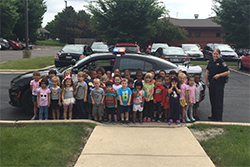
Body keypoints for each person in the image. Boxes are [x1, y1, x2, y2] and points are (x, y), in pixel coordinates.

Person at [206, 48, 230, 122]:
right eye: (214, 53)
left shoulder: (221, 62)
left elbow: (228, 71)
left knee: (218, 100)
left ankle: (219, 117)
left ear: (219, 55)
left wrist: (219, 75)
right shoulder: (210, 61)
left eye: (217, 54)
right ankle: (213, 116)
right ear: (212, 54)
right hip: (212, 83)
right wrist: (206, 81)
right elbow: (207, 71)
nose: (215, 55)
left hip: (219, 83)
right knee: (212, 99)